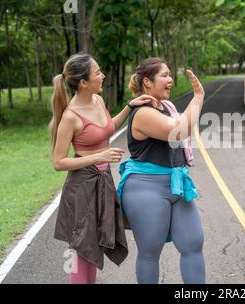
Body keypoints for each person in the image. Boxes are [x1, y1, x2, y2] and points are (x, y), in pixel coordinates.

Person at [50, 53, 155, 284]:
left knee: (95, 245)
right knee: (82, 249)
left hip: (103, 180)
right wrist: (99, 155)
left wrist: (129, 106)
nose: (103, 75)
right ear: (84, 82)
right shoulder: (70, 116)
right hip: (82, 186)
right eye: (97, 72)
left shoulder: (98, 101)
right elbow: (59, 162)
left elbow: (107, 128)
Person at [117, 57, 206, 284]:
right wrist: (197, 98)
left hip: (177, 183)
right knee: (150, 252)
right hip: (146, 188)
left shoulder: (166, 107)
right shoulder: (143, 112)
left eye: (170, 75)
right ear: (147, 82)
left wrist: (197, 99)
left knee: (193, 244)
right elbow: (178, 131)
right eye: (164, 75)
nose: (170, 80)